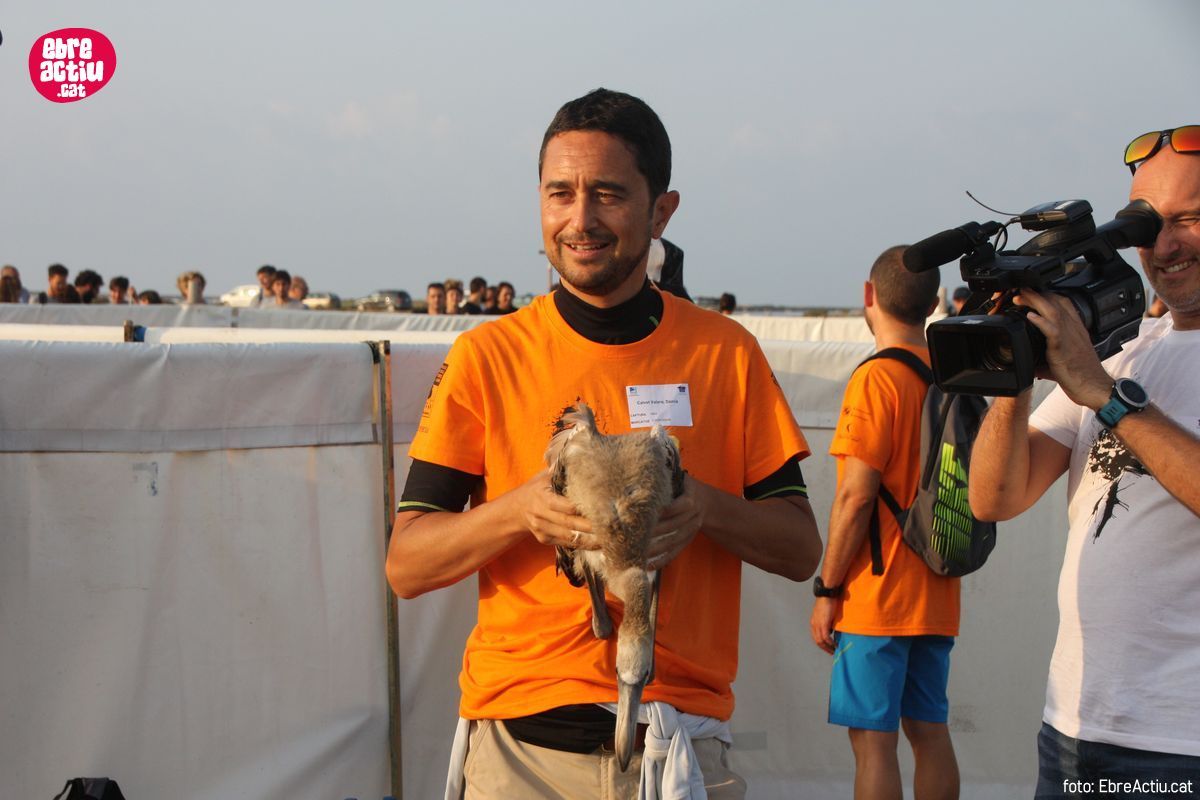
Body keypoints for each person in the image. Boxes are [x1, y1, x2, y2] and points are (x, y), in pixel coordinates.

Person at [386, 88, 822, 800]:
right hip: (522, 758)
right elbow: (406, 564)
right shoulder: (487, 357)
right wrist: (520, 511)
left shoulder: (726, 354)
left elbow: (802, 550)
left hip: (678, 752)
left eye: (609, 195)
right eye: (560, 193)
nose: (580, 219)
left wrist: (702, 508)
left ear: (662, 211)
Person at [969, 131, 1200, 798]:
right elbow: (994, 498)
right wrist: (1017, 370)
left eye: (1190, 218)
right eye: (1147, 222)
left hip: (1181, 745)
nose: (1163, 244)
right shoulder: (1126, 349)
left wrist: (1103, 395)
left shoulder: (1105, 375)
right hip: (1074, 726)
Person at [809, 245, 958, 800]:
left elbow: (855, 496)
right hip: (938, 582)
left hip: (876, 593)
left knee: (873, 741)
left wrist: (827, 586)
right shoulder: (949, 376)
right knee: (929, 731)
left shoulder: (876, 380)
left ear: (868, 296)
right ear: (934, 302)